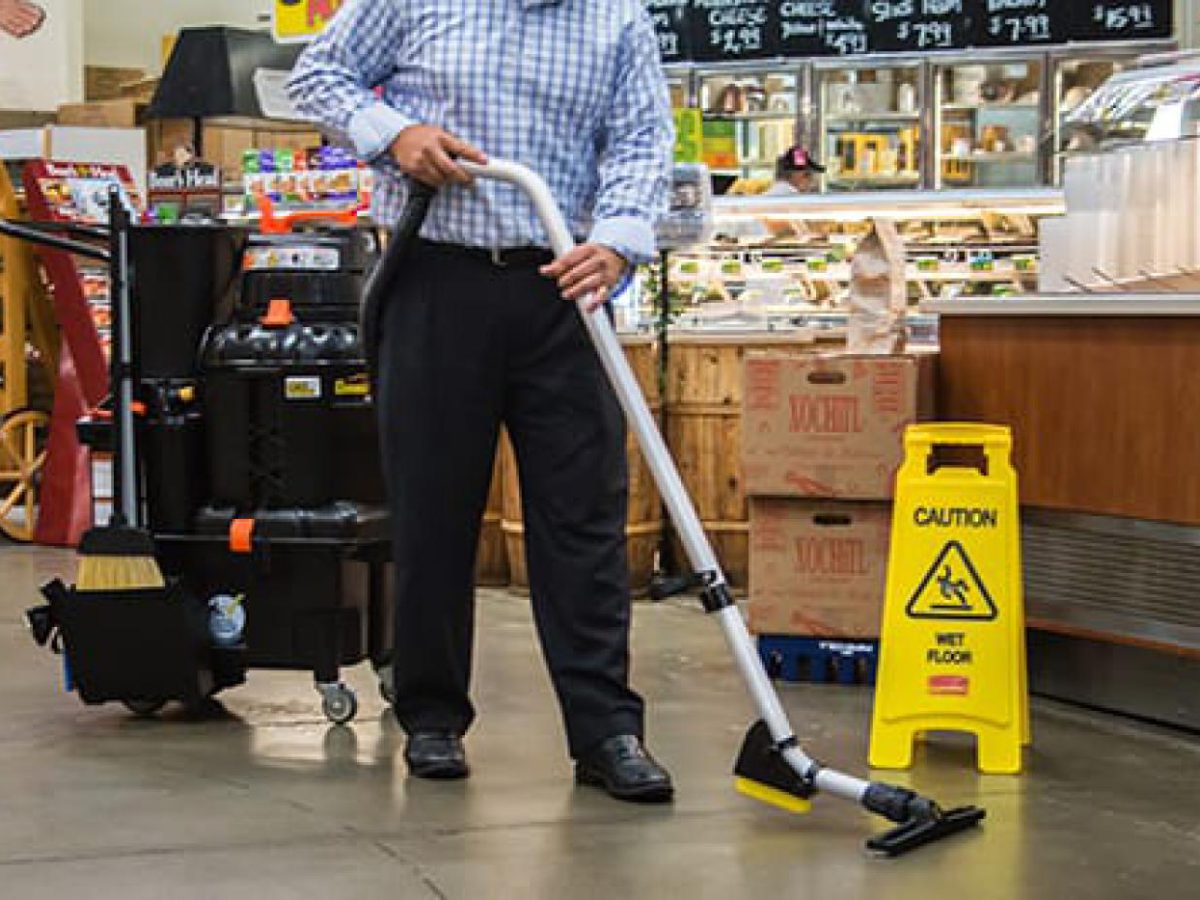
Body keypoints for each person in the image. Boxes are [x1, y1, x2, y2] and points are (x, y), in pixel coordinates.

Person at [288, 1, 675, 803]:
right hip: (434, 278)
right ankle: (431, 718)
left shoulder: (617, 20)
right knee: (433, 512)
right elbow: (318, 74)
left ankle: (607, 731)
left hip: (564, 287)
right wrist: (393, 133)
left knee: (582, 518)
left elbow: (641, 143)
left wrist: (620, 240)